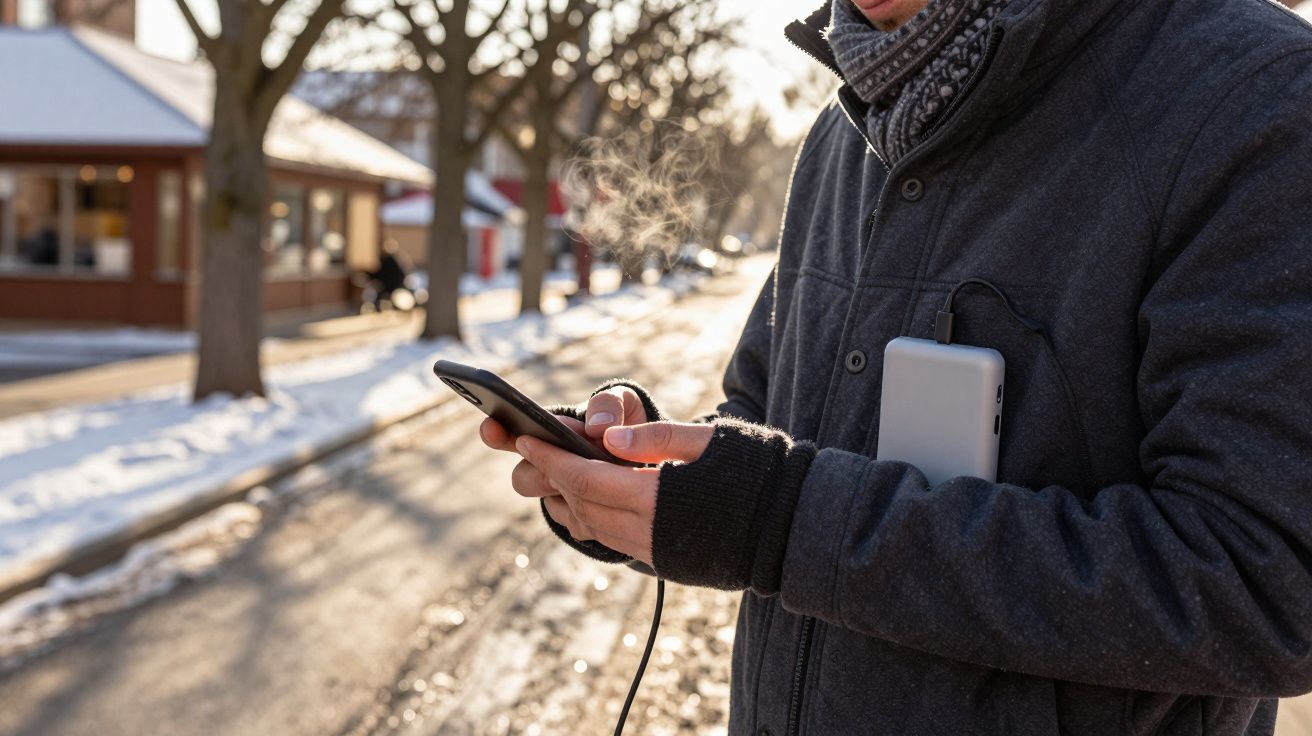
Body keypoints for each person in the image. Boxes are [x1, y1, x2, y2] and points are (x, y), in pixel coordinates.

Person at [481, 0, 1312, 733]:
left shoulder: (1257, 94)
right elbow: (767, 420)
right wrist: (644, 474)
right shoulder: (843, 132)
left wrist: (780, 523)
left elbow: (1270, 588)